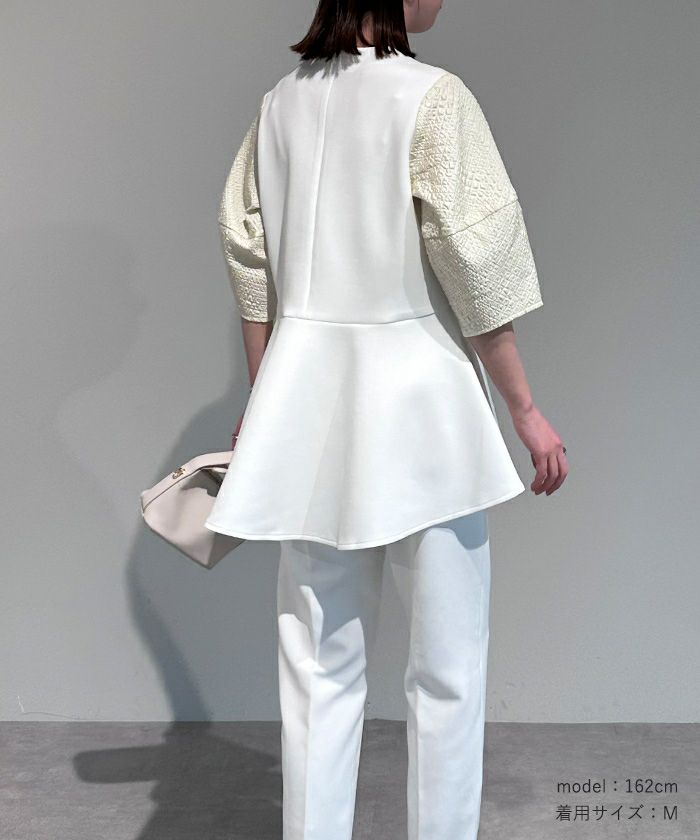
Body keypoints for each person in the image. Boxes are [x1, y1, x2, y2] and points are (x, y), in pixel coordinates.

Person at [205, 1, 568, 837]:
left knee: (317, 671)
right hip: (424, 414)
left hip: (308, 414)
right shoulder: (432, 97)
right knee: (447, 670)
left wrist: (266, 402)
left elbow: (248, 258)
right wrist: (524, 409)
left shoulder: (278, 105)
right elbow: (475, 262)